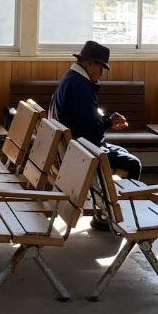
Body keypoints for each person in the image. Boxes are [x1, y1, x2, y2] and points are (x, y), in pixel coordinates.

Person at [49, 41, 141, 230]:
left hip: (71, 147)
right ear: (88, 63)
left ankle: (104, 214)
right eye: (100, 67)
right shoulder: (81, 87)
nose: (102, 73)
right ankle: (114, 219)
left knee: (123, 153)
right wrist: (109, 122)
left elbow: (82, 120)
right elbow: (89, 129)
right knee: (133, 164)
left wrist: (106, 121)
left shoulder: (70, 78)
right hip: (81, 152)